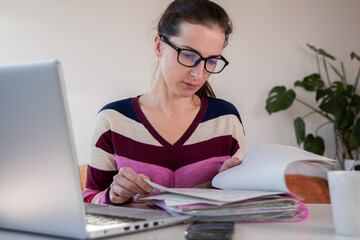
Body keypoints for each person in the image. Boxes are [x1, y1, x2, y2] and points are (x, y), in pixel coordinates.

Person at [83, 0, 246, 205]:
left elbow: (245, 204)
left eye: (212, 61)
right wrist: (112, 195)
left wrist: (230, 187)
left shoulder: (226, 121)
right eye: (188, 55)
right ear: (159, 46)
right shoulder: (114, 121)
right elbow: (88, 201)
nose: (199, 73)